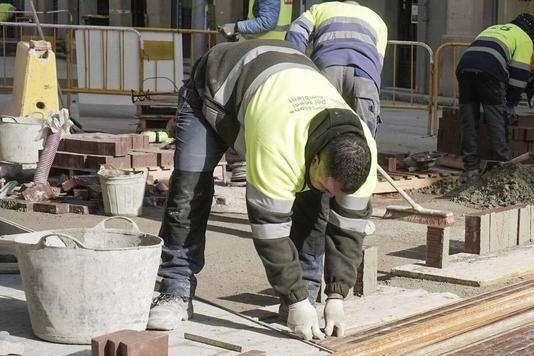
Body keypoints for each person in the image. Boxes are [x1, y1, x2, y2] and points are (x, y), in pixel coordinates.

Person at [147, 41, 376, 340]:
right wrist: (296, 299)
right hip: (215, 89)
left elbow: (348, 232)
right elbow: (270, 231)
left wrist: (336, 295)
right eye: (327, 184)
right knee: (189, 190)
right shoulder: (278, 143)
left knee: (314, 198)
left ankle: (304, 292)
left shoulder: (363, 153)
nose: (332, 196)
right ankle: (174, 289)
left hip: (277, 83)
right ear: (316, 158)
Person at [453, 13, 534, 181]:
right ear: (531, 32)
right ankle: (503, 168)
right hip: (490, 71)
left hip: (464, 67)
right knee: (496, 120)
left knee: (469, 119)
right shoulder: (524, 38)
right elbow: (519, 76)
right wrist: (511, 102)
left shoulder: (494, 28)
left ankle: (470, 169)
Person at [286, 0, 388, 134]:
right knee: (365, 135)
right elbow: (378, 62)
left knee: (322, 130)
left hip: (327, 67)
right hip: (364, 74)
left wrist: (299, 66)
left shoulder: (319, 9)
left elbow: (297, 31)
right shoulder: (377, 20)